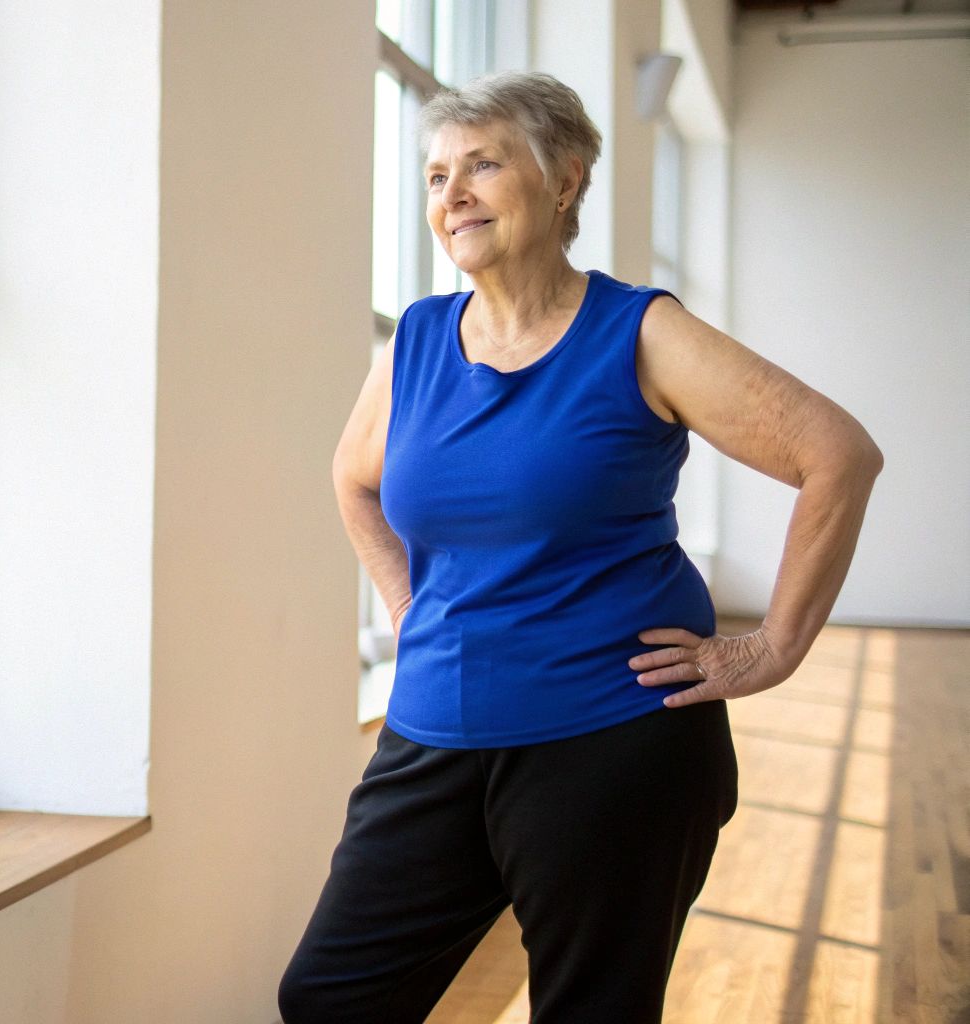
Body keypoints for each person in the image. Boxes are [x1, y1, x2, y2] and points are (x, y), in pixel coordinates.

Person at [278, 70, 883, 1023]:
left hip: (612, 741)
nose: (454, 194)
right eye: (437, 175)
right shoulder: (419, 341)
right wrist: (408, 609)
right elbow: (355, 480)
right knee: (328, 999)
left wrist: (770, 647)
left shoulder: (640, 333)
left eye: (484, 164)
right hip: (431, 736)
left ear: (564, 180)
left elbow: (836, 455)